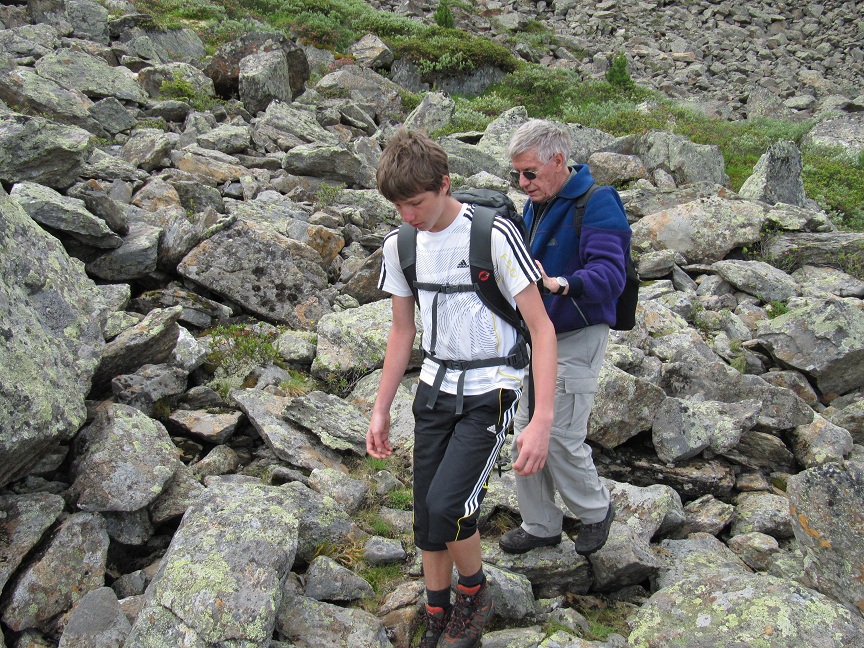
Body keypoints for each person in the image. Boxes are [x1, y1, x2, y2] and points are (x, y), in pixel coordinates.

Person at [366, 129, 557, 648]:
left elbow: (541, 327)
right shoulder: (400, 245)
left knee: (451, 507)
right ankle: (437, 610)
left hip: (491, 390)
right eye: (398, 205)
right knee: (427, 512)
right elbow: (402, 331)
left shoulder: (491, 235)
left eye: (416, 202)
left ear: (445, 184)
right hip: (433, 388)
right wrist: (381, 410)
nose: (408, 215)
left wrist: (540, 422)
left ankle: (474, 596)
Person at [498, 119, 630, 557]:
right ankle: (540, 524)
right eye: (517, 174)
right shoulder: (539, 202)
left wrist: (562, 283)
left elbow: (611, 275)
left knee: (556, 434)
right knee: (525, 430)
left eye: (530, 173)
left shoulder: (598, 202)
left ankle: (595, 512)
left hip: (575, 331)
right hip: (537, 334)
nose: (523, 183)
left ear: (558, 161)